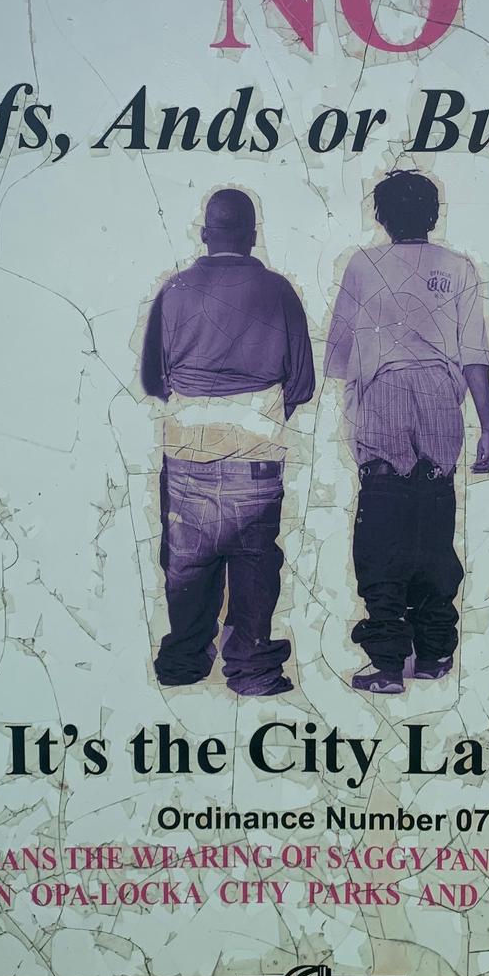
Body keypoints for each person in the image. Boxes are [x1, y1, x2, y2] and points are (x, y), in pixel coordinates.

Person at [324, 171, 489, 694]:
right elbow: (475, 355)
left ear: (380, 215)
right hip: (443, 400)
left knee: (382, 527)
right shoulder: (460, 268)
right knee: (435, 521)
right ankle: (436, 651)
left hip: (385, 395)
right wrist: (487, 427)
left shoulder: (362, 264)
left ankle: (387, 661)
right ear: (434, 214)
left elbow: (338, 354)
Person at [141, 189, 314, 696]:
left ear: (204, 233)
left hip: (187, 454)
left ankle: (184, 662)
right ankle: (253, 670)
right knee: (256, 562)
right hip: (256, 458)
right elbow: (301, 384)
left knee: (186, 561)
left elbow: (154, 379)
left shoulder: (173, 291)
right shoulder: (280, 292)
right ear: (253, 236)